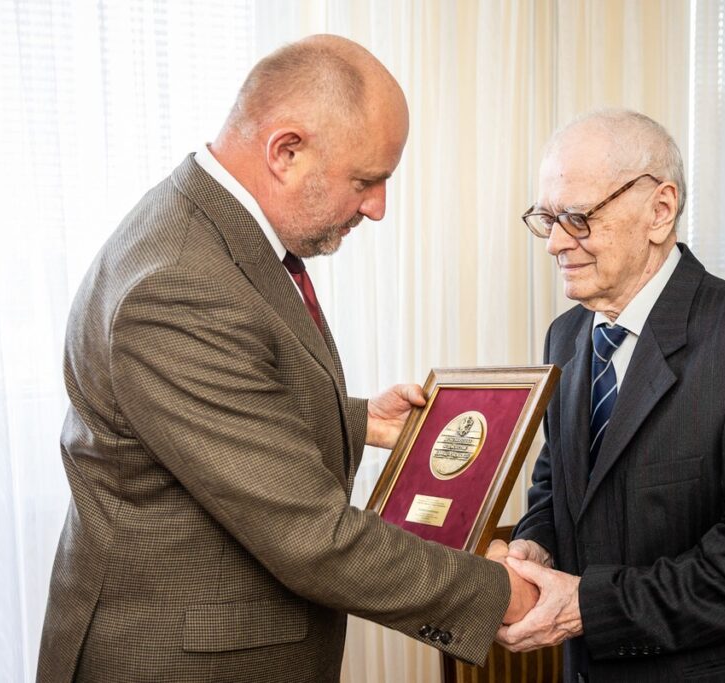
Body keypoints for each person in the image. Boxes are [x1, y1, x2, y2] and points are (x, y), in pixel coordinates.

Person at [37, 35, 536, 683]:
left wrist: (360, 419)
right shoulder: (180, 282)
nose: (378, 208)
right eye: (366, 180)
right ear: (286, 151)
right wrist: (504, 595)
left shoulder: (200, 223)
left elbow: (220, 401)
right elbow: (311, 537)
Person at [490, 109, 725, 682]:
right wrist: (537, 546)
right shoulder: (566, 335)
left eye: (577, 218)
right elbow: (559, 482)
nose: (554, 243)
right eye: (548, 219)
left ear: (660, 210)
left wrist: (590, 607)